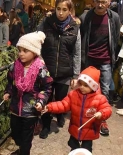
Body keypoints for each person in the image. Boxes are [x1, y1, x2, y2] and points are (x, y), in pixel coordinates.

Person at [3, 31, 53, 155]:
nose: (21, 54)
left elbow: (47, 87)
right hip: (15, 108)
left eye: (25, 50)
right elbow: (11, 83)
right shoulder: (15, 67)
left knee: (26, 138)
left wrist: (41, 101)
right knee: (15, 133)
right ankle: (21, 147)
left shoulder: (41, 69)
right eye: (19, 50)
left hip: (30, 111)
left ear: (35, 51)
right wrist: (8, 92)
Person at [37, 0, 81, 139]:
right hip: (47, 71)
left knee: (62, 99)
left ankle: (61, 115)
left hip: (65, 73)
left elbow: (76, 53)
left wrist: (76, 75)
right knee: (46, 99)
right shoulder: (46, 23)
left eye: (64, 9)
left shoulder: (75, 28)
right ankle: (46, 125)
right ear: (54, 9)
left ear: (70, 10)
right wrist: (40, 60)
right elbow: (36, 41)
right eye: (58, 9)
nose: (60, 13)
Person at [41, 67, 112, 152]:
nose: (82, 87)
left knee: (86, 150)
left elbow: (108, 109)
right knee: (73, 146)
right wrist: (49, 107)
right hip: (75, 128)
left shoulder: (99, 98)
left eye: (86, 85)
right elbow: (63, 104)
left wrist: (101, 113)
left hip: (89, 130)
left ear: (93, 86)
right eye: (80, 84)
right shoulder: (73, 95)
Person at [80, 0, 120, 136]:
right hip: (89, 58)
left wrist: (112, 56)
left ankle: (102, 119)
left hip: (105, 60)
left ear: (108, 2)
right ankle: (86, 114)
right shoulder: (86, 17)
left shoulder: (114, 17)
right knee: (87, 88)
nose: (100, 5)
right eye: (98, 1)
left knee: (105, 90)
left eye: (104, 2)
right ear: (93, 2)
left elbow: (115, 38)